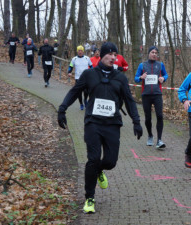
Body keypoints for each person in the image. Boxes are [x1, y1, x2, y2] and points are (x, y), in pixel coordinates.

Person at [57, 42, 143, 213]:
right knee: (93, 159)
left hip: (112, 124)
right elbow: (75, 92)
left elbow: (129, 100)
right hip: (93, 123)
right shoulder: (89, 74)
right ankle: (90, 198)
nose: (113, 57)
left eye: (115, 55)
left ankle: (99, 171)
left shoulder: (120, 77)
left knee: (110, 162)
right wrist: (62, 109)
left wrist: (136, 121)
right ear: (102, 55)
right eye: (110, 54)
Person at [134, 46, 168, 149]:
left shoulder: (160, 65)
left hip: (157, 94)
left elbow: (166, 75)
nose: (154, 54)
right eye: (152, 52)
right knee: (148, 118)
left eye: (156, 53)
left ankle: (159, 140)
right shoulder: (142, 65)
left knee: (160, 116)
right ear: (148, 53)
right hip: (146, 95)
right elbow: (136, 79)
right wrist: (141, 77)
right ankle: (150, 135)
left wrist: (163, 78)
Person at [68, 45, 93, 110]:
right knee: (79, 92)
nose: (80, 52)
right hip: (78, 78)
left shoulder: (87, 58)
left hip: (86, 78)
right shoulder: (74, 59)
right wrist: (69, 72)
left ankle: (85, 100)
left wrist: (92, 73)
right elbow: (70, 66)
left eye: (81, 50)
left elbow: (91, 66)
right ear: (77, 51)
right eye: (79, 50)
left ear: (83, 51)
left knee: (86, 91)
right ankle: (81, 104)